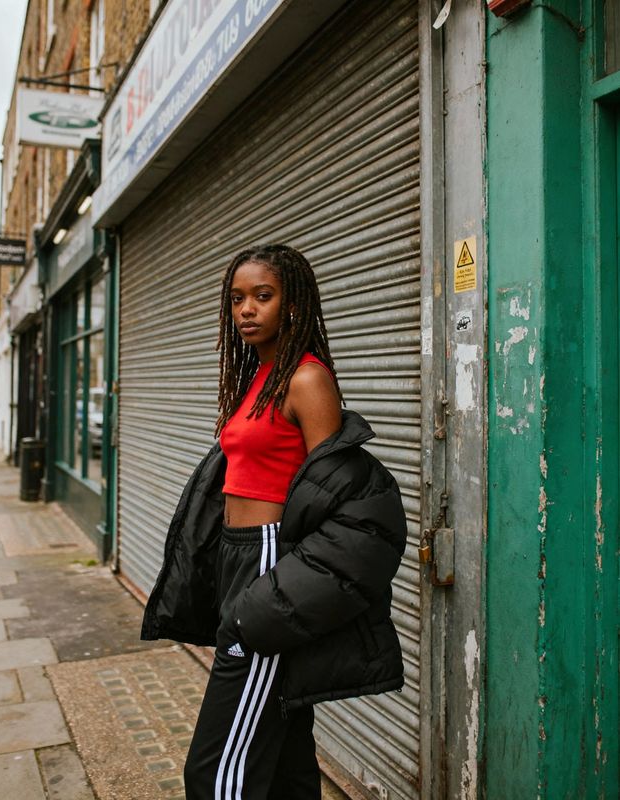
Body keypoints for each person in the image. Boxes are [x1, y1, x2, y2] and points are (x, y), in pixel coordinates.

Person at [141, 244, 407, 800]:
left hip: (268, 560)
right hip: (239, 555)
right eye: (237, 298)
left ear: (293, 303)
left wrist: (272, 594)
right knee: (284, 750)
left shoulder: (307, 380)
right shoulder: (257, 375)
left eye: (263, 296)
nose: (246, 309)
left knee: (218, 772)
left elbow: (337, 496)